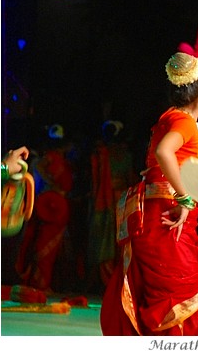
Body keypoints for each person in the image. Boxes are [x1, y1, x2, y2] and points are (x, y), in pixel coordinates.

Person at [100, 29, 198, 335]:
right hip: (167, 217)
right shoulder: (185, 122)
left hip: (154, 215)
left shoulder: (168, 116)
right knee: (176, 302)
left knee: (160, 296)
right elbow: (166, 153)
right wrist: (185, 198)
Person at [15, 125, 74, 293]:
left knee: (52, 247)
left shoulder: (65, 162)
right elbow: (39, 168)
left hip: (59, 207)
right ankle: (38, 283)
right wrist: (51, 183)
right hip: (49, 206)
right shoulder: (50, 157)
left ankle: (43, 282)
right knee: (42, 245)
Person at [87, 120, 138, 293]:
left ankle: (108, 281)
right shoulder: (120, 155)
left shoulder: (100, 155)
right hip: (120, 199)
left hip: (105, 201)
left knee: (105, 239)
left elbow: (95, 182)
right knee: (118, 240)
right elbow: (130, 178)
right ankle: (117, 281)